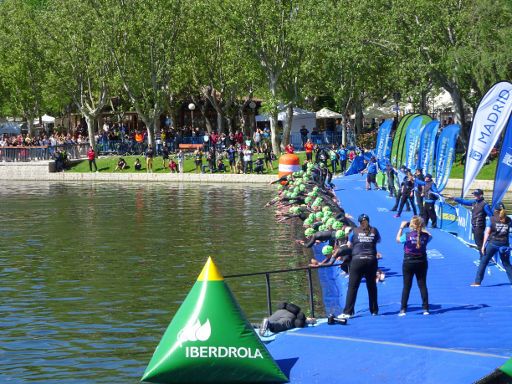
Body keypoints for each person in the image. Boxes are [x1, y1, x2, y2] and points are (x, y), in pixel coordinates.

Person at [338, 214, 381, 319]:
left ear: (359, 222)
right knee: (371, 286)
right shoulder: (374, 230)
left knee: (353, 287)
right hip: (371, 260)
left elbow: (349, 245)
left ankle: (348, 312)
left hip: (358, 260)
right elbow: (378, 240)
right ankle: (374, 310)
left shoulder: (355, 231)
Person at [396, 216, 432, 316]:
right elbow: (430, 236)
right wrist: (422, 228)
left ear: (412, 225)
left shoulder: (407, 235)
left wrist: (401, 227)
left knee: (407, 286)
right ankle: (425, 308)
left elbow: (398, 240)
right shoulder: (425, 236)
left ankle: (403, 309)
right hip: (422, 262)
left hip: (409, 262)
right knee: (422, 285)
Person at [471, 203, 512, 287]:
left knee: (483, 262)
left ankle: (477, 282)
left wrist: (483, 246)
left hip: (493, 243)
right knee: (506, 264)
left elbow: (487, 232)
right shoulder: (509, 220)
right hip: (504, 244)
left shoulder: (492, 219)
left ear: (495, 211)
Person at [449, 189, 492, 259]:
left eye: (476, 194)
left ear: (481, 195)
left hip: (479, 226)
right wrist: (454, 198)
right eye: (474, 194)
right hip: (474, 225)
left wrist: (491, 226)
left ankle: (483, 257)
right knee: (478, 242)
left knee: (479, 243)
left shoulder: (485, 204)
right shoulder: (474, 202)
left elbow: (491, 215)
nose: (474, 196)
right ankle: (483, 256)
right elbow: (464, 201)